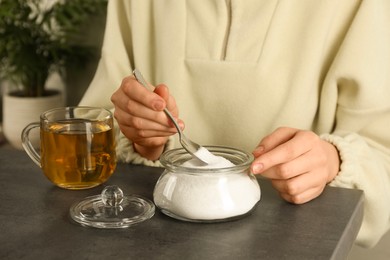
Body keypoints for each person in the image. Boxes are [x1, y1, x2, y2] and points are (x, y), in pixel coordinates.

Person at [79, 0, 390, 248]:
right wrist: (141, 137)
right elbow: (90, 127)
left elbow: (382, 151)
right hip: (146, 245)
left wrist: (332, 159)